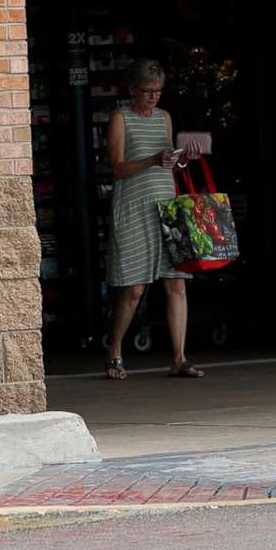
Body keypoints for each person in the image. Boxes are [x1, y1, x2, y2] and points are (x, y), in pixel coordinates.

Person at [104, 60, 203, 379]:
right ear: (132, 89)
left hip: (166, 206)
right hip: (134, 206)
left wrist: (182, 160)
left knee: (176, 282)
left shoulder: (164, 118)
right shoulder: (121, 117)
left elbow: (169, 165)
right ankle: (115, 351)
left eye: (157, 92)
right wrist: (152, 160)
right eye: (147, 91)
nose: (152, 98)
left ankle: (179, 358)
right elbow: (117, 168)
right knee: (134, 287)